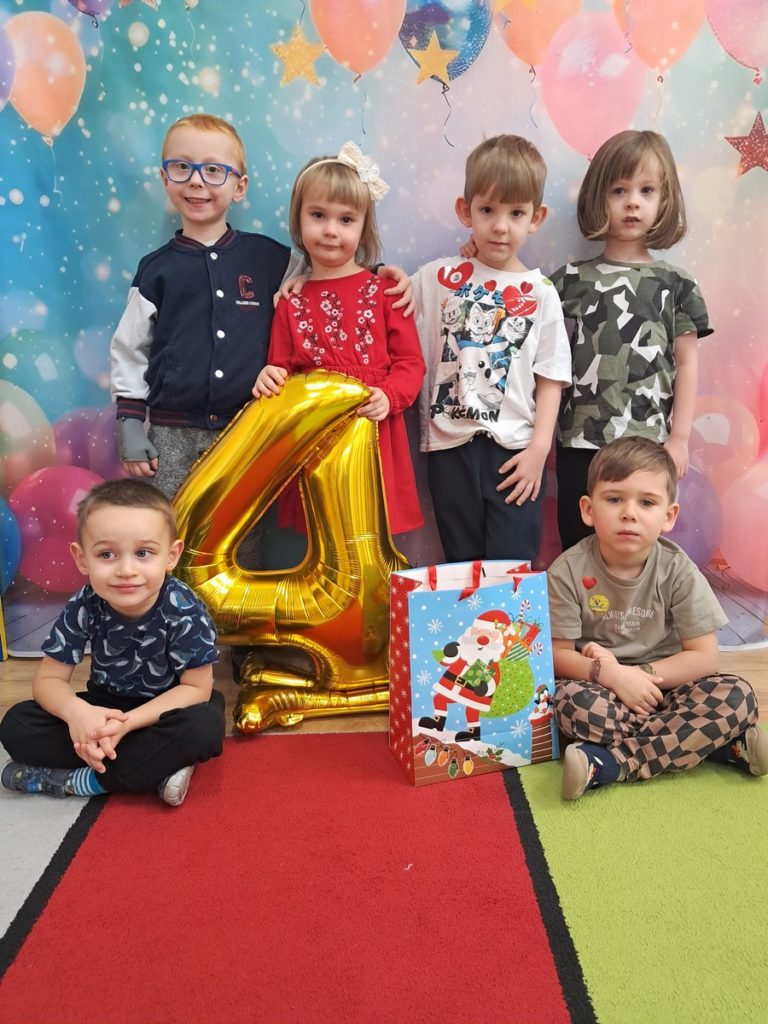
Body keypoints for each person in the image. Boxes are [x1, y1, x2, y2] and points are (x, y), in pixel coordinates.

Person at [111, 114, 413, 501]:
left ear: (239, 186)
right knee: (170, 520)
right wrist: (130, 420)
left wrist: (376, 273)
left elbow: (328, 275)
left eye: (214, 170)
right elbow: (130, 347)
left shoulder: (269, 258)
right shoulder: (156, 269)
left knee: (243, 524)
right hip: (172, 430)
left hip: (247, 426)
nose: (197, 181)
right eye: (182, 167)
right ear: (165, 177)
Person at [547, 437, 767, 800]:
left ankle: (613, 763)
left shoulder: (678, 569)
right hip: (605, 690)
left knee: (737, 696)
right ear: (588, 509)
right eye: (614, 499)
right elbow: (558, 655)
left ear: (668, 516)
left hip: (671, 686)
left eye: (646, 502)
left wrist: (640, 676)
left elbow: (703, 657)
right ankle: (714, 746)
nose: (629, 513)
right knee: (570, 704)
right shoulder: (567, 571)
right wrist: (613, 676)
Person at [0, 479, 224, 807]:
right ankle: (156, 767)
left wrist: (128, 725)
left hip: (163, 710)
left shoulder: (183, 608)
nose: (126, 570)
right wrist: (79, 714)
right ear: (82, 559)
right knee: (17, 724)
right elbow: (48, 681)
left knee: (205, 724)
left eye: (143, 553)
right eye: (107, 554)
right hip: (102, 708)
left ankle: (88, 781)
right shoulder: (84, 603)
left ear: (171, 555)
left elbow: (196, 689)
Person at [551, 130, 713, 552]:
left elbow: (687, 363)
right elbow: (532, 332)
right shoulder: (569, 280)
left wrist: (679, 438)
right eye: (619, 190)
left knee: (636, 548)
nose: (632, 202)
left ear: (664, 200)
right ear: (598, 197)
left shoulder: (677, 283)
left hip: (647, 442)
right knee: (578, 545)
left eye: (646, 190)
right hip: (580, 440)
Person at [253, 142, 426, 536]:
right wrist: (268, 377)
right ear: (298, 219)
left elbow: (411, 364)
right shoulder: (290, 302)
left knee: (370, 539)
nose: (331, 230)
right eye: (318, 215)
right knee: (324, 540)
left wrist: (389, 395)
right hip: (315, 445)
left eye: (346, 219)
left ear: (364, 227)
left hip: (373, 437)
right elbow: (281, 370)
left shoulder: (387, 292)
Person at [413, 134, 571, 563]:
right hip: (449, 449)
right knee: (461, 565)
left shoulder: (541, 293)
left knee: (512, 566)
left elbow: (552, 377)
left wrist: (539, 450)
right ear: (466, 211)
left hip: (516, 452)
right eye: (487, 211)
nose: (500, 226)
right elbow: (389, 300)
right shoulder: (439, 277)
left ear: (536, 217)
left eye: (516, 213)